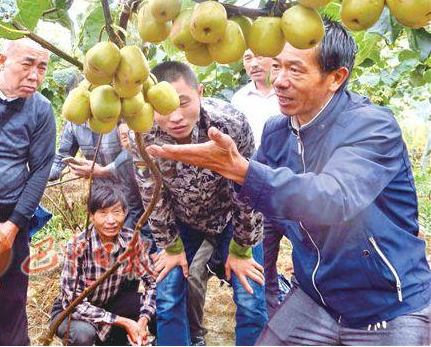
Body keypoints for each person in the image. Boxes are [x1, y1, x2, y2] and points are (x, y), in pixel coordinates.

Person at [147, 20, 431, 345]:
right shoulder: (278, 131)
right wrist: (267, 290)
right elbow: (265, 216)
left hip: (389, 303)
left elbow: (333, 198)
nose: (279, 81)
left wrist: (241, 171)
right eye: (277, 66)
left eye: (295, 70)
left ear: (336, 77)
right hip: (316, 298)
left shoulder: (373, 127)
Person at [128, 61, 267, 346]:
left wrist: (241, 248)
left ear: (200, 92)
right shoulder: (141, 135)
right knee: (167, 294)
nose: (175, 116)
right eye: (163, 108)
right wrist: (172, 246)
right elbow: (152, 195)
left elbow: (249, 187)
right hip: (182, 221)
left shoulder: (230, 123)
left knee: (250, 294)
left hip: (232, 216)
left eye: (183, 103)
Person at [0, 37, 56, 346]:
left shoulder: (41, 110)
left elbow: (41, 169)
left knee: (11, 305)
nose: (35, 76)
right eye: (27, 64)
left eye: (42, 67)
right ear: (2, 59)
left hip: (10, 217)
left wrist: (13, 226)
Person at [49, 74, 153, 247]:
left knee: (137, 239)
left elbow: (135, 152)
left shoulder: (119, 114)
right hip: (102, 197)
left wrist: (104, 170)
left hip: (131, 192)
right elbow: (61, 156)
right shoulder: (75, 121)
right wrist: (39, 178)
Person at [50, 180, 156, 346]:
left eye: (116, 212)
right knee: (83, 334)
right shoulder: (78, 246)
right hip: (72, 312)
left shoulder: (132, 241)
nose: (111, 220)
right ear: (91, 216)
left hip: (111, 303)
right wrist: (124, 321)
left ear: (125, 213)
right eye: (103, 213)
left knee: (160, 304)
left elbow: (152, 283)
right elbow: (73, 304)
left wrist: (143, 320)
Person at [232, 50, 289, 317]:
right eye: (246, 58)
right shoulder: (239, 99)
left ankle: (294, 302)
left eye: (260, 57)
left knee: (305, 248)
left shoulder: (288, 93)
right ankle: (270, 308)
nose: (253, 64)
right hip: (254, 188)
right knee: (262, 255)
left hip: (291, 185)